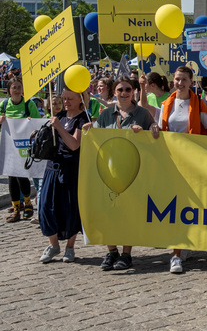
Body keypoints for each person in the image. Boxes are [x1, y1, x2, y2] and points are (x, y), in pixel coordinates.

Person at [84, 77, 160, 270]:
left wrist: (147, 129)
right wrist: (90, 130)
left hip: (132, 172)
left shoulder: (142, 113)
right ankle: (111, 252)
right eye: (120, 90)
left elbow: (154, 134)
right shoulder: (106, 114)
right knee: (107, 212)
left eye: (128, 89)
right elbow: (98, 138)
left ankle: (126, 254)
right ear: (114, 92)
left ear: (133, 91)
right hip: (108, 171)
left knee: (128, 213)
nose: (124, 93)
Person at [158, 66, 207, 273]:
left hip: (192, 164)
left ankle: (178, 253)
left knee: (186, 207)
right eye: (177, 79)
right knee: (175, 206)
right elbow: (161, 130)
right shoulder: (166, 104)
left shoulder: (198, 104)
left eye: (184, 80)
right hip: (171, 163)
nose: (180, 83)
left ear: (191, 82)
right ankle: (178, 250)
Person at [38, 88, 90, 263]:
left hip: (72, 169)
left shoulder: (82, 119)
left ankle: (70, 247)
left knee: (70, 208)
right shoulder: (59, 116)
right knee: (45, 206)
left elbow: (74, 145)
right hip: (53, 167)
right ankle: (53, 245)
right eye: (64, 98)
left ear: (80, 100)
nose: (66, 102)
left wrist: (59, 127)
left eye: (70, 99)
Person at [0, 76, 42, 222]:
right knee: (11, 176)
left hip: (23, 146)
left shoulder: (28, 104)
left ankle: (28, 203)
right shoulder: (5, 104)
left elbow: (38, 124)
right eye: (14, 88)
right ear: (9, 90)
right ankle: (16, 208)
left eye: (19, 87)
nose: (17, 90)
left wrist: (30, 122)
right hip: (9, 146)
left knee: (21, 174)